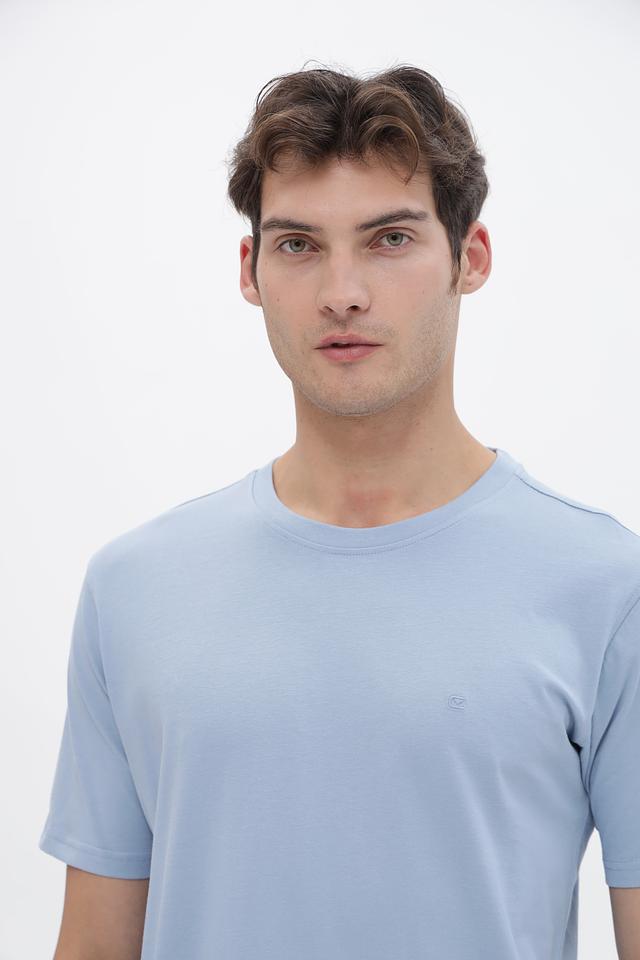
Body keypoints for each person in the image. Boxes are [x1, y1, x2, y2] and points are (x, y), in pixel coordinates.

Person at [39, 63, 640, 960]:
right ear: (250, 270)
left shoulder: (607, 587)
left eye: (390, 238)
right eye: (298, 245)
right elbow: (92, 946)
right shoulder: (133, 588)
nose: (342, 292)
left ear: (471, 257)